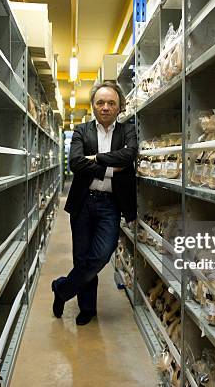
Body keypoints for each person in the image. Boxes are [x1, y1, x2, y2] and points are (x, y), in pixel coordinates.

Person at [52, 81, 137, 326]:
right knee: (82, 257)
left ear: (120, 106)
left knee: (101, 255)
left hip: (111, 204)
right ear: (93, 106)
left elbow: (129, 154)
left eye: (111, 103)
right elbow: (75, 163)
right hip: (83, 202)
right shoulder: (81, 131)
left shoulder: (127, 131)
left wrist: (97, 158)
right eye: (100, 102)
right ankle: (86, 308)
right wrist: (111, 169)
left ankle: (62, 288)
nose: (106, 107)